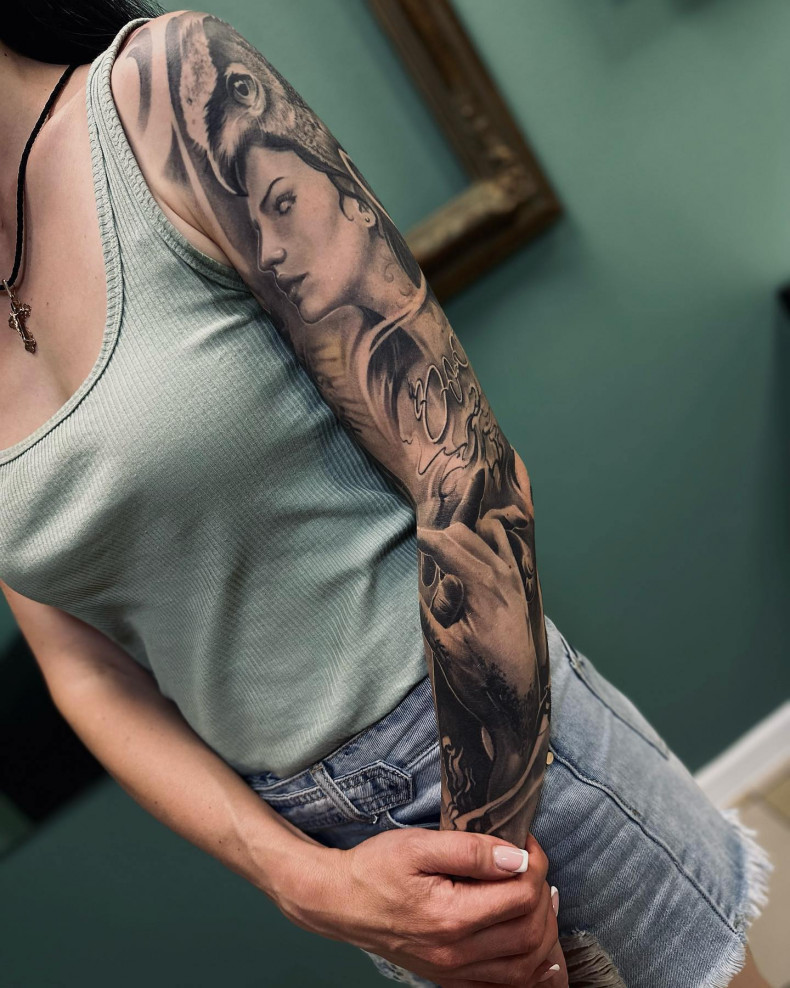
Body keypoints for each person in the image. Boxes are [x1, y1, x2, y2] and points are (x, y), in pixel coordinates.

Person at [0, 3, 773, 985]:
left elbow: (467, 472)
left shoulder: (169, 93)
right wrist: (306, 881)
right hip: (336, 853)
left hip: (497, 744)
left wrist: (480, 872)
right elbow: (84, 670)